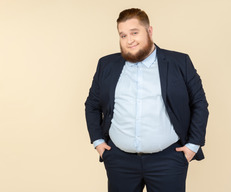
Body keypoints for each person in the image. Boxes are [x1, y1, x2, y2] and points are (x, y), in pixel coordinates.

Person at [85, 8, 209, 192]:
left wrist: (192, 146)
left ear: (149, 31)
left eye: (135, 33)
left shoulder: (180, 62)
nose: (129, 40)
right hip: (119, 162)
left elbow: (199, 103)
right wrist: (98, 142)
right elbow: (92, 105)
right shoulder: (106, 65)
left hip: (168, 161)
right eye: (123, 35)